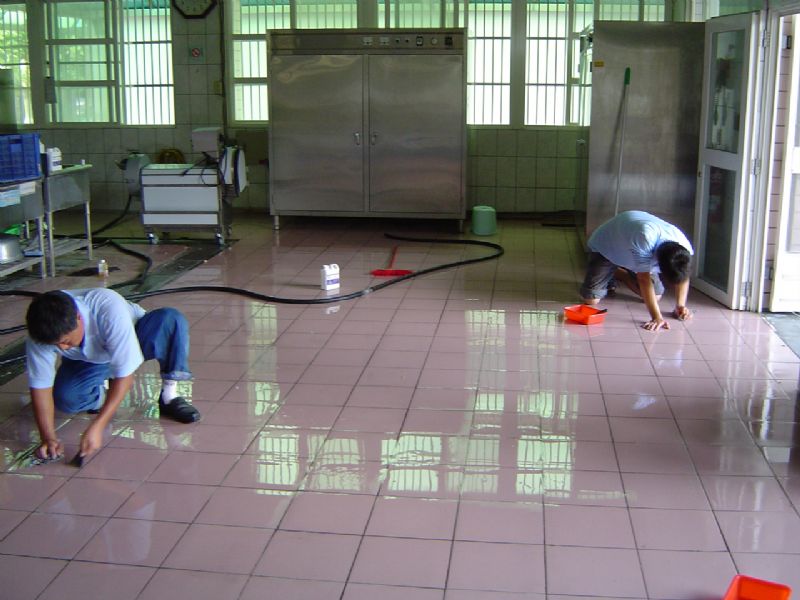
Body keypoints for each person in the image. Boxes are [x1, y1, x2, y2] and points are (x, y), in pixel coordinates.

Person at [25, 288, 201, 461]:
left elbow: (125, 377)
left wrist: (98, 425)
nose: (62, 348)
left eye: (65, 341)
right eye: (56, 345)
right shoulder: (40, 333)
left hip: (135, 337)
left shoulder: (107, 306)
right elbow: (40, 386)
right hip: (89, 359)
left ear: (78, 318)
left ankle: (169, 396)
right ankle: (100, 392)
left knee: (170, 319)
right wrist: (48, 438)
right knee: (67, 399)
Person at [580, 210, 694, 331]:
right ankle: (612, 269)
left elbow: (683, 274)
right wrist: (656, 317)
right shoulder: (645, 237)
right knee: (591, 300)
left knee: (656, 296)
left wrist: (680, 305)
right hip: (607, 246)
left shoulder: (684, 247)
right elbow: (644, 279)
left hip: (632, 245)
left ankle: (619, 274)